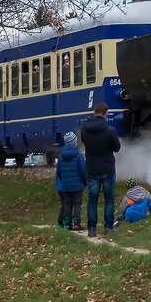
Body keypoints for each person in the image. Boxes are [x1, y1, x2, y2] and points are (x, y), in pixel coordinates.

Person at [80, 102, 120, 237]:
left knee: (92, 200)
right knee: (109, 198)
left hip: (92, 169)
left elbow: (84, 141)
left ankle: (91, 229)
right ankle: (108, 227)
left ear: (94, 113)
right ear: (106, 114)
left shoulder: (85, 129)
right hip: (108, 169)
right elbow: (117, 148)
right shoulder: (110, 131)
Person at [54, 131, 87, 230]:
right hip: (77, 186)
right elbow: (83, 170)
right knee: (77, 204)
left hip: (66, 186)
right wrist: (85, 182)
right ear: (75, 143)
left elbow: (58, 171)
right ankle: (77, 223)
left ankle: (68, 224)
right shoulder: (79, 155)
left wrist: (63, 180)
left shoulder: (61, 156)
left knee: (67, 204)